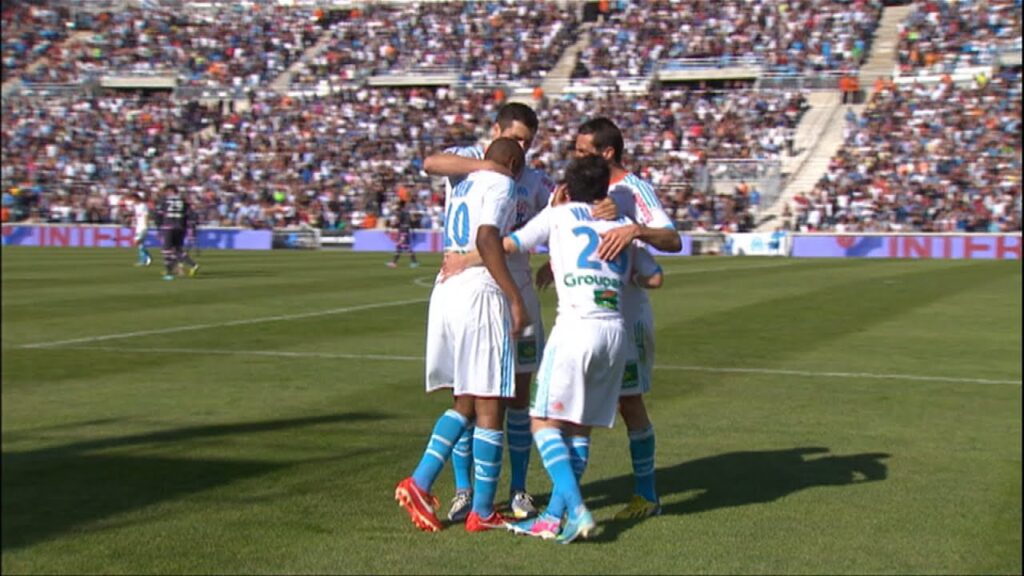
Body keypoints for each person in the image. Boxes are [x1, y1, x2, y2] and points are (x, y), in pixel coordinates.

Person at [502, 155, 663, 543]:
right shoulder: (622, 225)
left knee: (541, 421)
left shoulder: (558, 214)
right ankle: (552, 516)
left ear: (568, 188)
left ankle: (576, 509)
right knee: (578, 430)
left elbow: (511, 243)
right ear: (605, 191)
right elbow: (654, 278)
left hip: (575, 329)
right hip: (615, 334)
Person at [423, 102, 554, 522]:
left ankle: (518, 489)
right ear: (495, 130)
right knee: (467, 391)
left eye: (527, 142)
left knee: (517, 395)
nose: (521, 148)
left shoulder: (533, 180)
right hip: (483, 295)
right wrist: (488, 165)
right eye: (515, 138)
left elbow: (554, 218)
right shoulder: (469, 165)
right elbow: (430, 161)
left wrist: (555, 257)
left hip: (511, 286)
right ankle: (466, 492)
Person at [395, 138, 529, 533]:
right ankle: (482, 511)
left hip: (446, 289)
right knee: (490, 401)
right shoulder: (502, 183)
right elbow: (488, 238)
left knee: (467, 398)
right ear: (513, 163)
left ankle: (422, 481)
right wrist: (514, 296)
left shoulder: (463, 179)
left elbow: (432, 163)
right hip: (479, 291)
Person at [569, 117, 682, 520]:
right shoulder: (586, 188)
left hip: (626, 318)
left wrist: (636, 230)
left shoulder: (633, 190)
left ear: (607, 153)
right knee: (576, 405)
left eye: (583, 151)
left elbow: (672, 239)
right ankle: (569, 499)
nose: (576, 157)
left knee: (628, 403)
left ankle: (646, 496)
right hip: (588, 317)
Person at [155, 184, 198, 281]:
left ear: (170, 191)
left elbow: (158, 216)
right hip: (180, 228)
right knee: (178, 250)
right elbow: (191, 216)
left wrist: (159, 228)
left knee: (167, 251)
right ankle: (193, 265)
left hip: (168, 227)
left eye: (166, 191)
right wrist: (191, 230)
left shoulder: (164, 201)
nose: (165, 193)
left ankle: (169, 273)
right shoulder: (184, 202)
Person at [387, 200, 419, 268]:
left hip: (403, 230)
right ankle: (394, 262)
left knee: (404, 246)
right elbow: (412, 220)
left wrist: (392, 225)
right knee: (401, 246)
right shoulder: (407, 212)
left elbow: (398, 221)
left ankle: (414, 262)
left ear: (400, 205)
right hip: (405, 230)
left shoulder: (400, 213)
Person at [131, 192, 152, 267]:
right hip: (138, 227)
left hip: (143, 226)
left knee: (137, 242)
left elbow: (146, 215)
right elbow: (137, 216)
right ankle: (145, 259)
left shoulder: (143, 205)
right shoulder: (135, 206)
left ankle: (145, 258)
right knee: (140, 244)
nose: (132, 200)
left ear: (137, 198)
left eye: (133, 199)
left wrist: (146, 225)